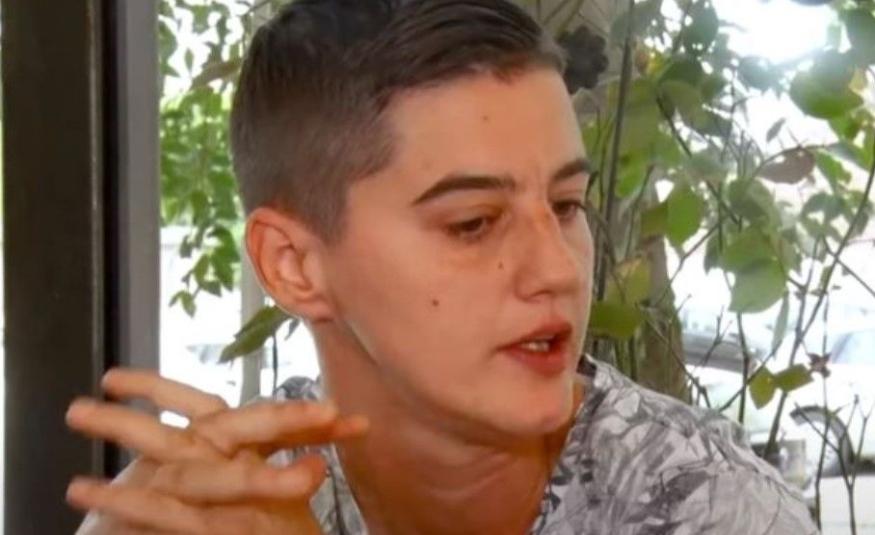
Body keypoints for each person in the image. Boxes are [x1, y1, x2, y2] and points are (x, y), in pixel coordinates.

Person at [65, 0, 819, 533]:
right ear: (293, 264)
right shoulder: (221, 501)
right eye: (473, 223)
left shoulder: (710, 505)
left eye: (566, 205)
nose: (557, 270)